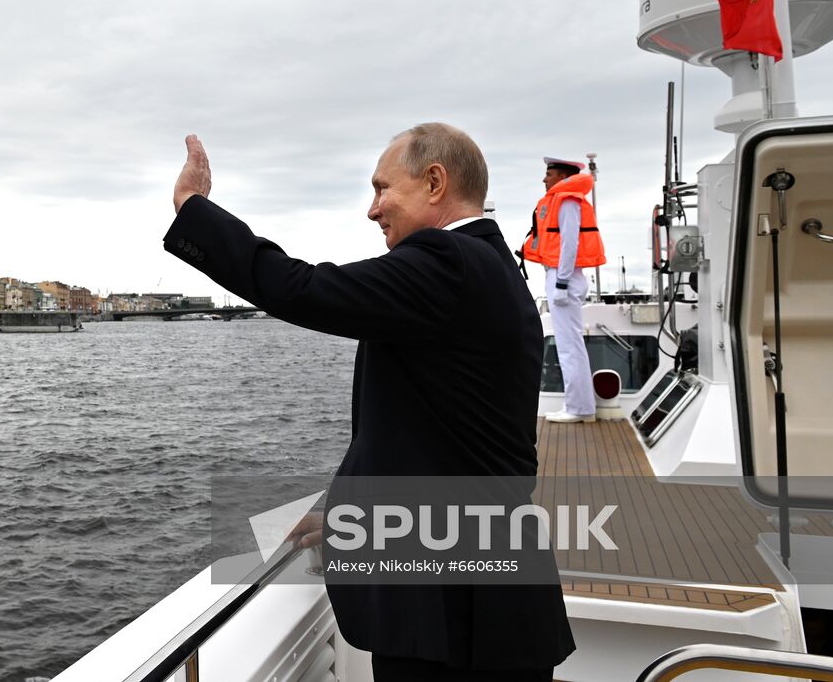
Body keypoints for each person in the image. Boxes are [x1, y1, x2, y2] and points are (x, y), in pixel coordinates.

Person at [166, 125, 574, 682]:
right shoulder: (491, 266)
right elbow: (435, 433)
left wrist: (193, 210)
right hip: (489, 601)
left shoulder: (447, 260)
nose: (372, 209)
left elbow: (301, 288)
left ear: (435, 182)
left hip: (450, 613)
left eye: (382, 188)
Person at [522, 157, 606, 424]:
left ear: (561, 177)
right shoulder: (562, 199)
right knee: (570, 345)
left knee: (570, 347)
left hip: (564, 278)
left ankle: (579, 408)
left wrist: (561, 282)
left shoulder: (568, 201)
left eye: (549, 174)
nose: (544, 179)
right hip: (560, 275)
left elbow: (569, 244)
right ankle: (579, 405)